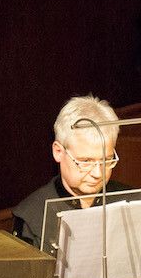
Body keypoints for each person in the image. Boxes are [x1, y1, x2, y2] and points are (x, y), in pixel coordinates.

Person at [11, 94, 131, 250]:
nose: (98, 173)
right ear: (58, 152)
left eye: (106, 160)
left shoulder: (135, 203)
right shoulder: (31, 215)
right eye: (86, 161)